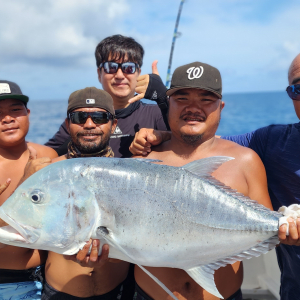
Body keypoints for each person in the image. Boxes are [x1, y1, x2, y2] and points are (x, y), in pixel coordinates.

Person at [130, 56, 300, 299]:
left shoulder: (245, 160)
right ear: (169, 104)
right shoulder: (140, 163)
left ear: (220, 107)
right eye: (182, 99)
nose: (193, 107)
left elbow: (268, 233)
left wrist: (288, 232)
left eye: (206, 100)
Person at [23, 87, 135, 300]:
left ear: (114, 124)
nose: (89, 124)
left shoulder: (130, 175)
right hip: (61, 293)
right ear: (68, 124)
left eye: (100, 117)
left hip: (119, 292)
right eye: (80, 117)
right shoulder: (47, 174)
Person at [45, 34, 169, 158]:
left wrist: (164, 97)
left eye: (129, 68)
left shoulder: (157, 113)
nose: (120, 75)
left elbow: (185, 141)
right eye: (111, 67)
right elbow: (47, 154)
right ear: (99, 73)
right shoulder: (81, 119)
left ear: (138, 73)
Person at [0, 80, 58, 299]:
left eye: (15, 110)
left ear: (28, 112)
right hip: (8, 284)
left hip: (50, 282)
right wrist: (25, 183)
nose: (7, 118)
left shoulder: (49, 156)